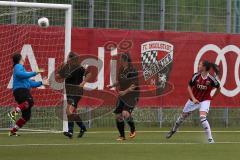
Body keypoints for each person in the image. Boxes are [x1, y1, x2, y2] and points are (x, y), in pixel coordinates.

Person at [166, 60, 221, 143]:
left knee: (202, 117)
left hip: (204, 100)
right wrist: (193, 98)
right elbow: (189, 87)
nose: (198, 66)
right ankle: (173, 130)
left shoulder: (211, 79)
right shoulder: (196, 76)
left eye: (200, 65)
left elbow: (219, 88)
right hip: (193, 100)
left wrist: (212, 97)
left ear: (204, 67)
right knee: (181, 118)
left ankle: (210, 139)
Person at [8, 53, 49, 136]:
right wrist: (35, 73)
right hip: (20, 90)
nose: (24, 60)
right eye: (22, 58)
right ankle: (13, 113)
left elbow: (30, 83)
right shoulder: (18, 66)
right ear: (19, 59)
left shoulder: (22, 70)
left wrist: (41, 82)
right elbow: (21, 75)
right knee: (30, 102)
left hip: (20, 92)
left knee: (26, 116)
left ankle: (12, 131)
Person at [57, 52, 91, 139]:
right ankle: (82, 127)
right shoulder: (66, 67)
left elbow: (89, 74)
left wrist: (83, 83)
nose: (67, 59)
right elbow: (58, 77)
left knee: (68, 110)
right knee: (72, 112)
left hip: (77, 92)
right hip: (69, 93)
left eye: (68, 58)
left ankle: (70, 131)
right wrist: (60, 70)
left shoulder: (79, 68)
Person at [108, 53, 139, 141]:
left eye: (121, 59)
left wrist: (125, 92)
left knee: (125, 114)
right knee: (118, 115)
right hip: (122, 95)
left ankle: (132, 129)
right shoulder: (122, 68)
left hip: (132, 96)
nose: (120, 60)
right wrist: (112, 85)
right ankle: (122, 136)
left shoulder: (133, 70)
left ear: (125, 60)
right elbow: (119, 80)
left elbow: (134, 86)